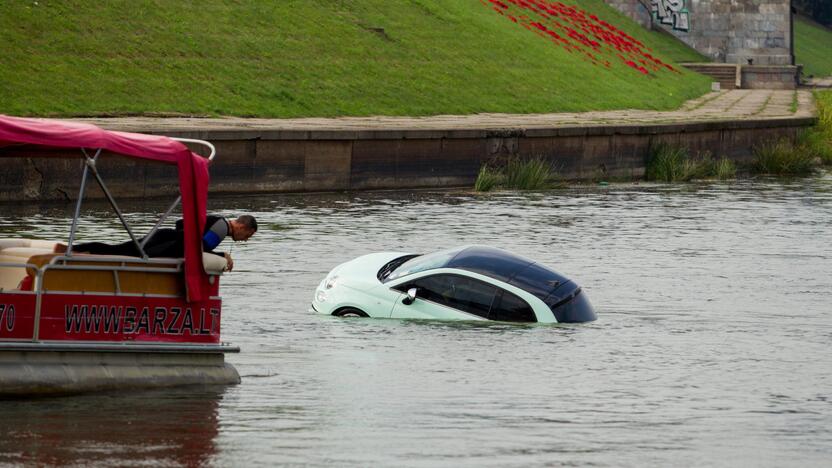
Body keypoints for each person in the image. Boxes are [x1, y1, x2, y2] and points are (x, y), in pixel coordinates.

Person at [55, 215, 257, 272]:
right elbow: (201, 247)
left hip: (164, 235)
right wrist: (223, 256)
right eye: (248, 235)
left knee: (120, 249)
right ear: (243, 227)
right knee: (130, 256)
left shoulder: (216, 220)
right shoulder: (221, 228)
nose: (246, 240)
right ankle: (75, 253)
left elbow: (180, 223)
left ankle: (74, 249)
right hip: (167, 243)